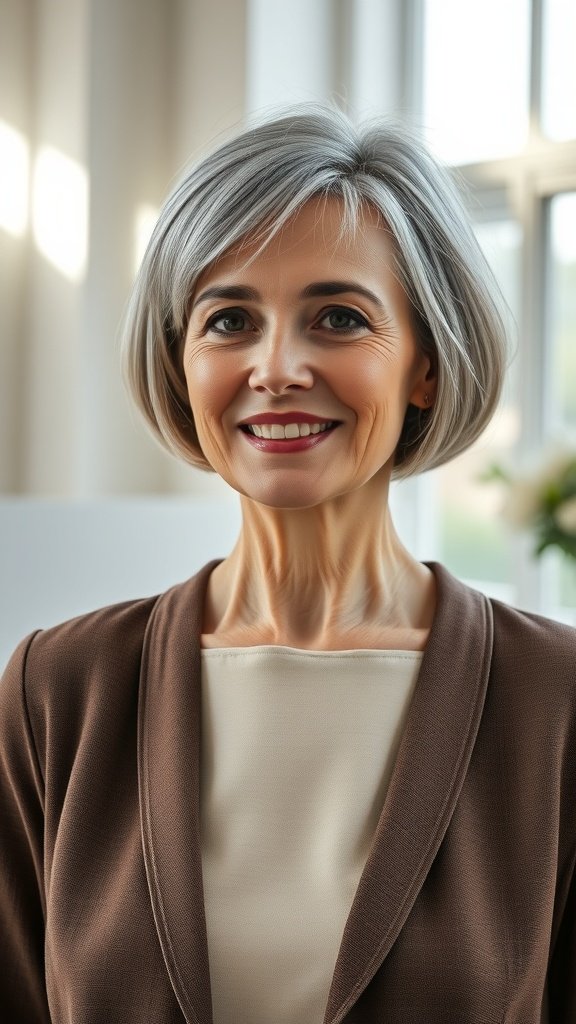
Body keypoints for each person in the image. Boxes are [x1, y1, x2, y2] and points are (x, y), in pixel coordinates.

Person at [0, 104, 574, 1024]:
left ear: (425, 363)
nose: (276, 367)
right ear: (181, 364)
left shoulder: (556, 699)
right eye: (228, 320)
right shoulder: (57, 691)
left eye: (338, 317)